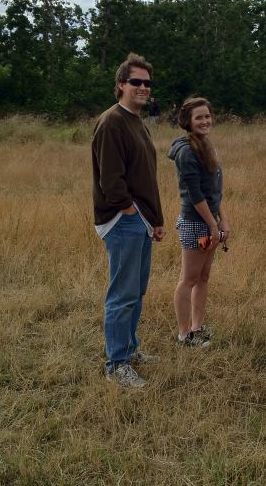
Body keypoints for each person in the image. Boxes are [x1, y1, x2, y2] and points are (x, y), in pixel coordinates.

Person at [91, 52, 165, 388]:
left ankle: (130, 349)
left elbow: (146, 175)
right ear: (121, 85)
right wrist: (130, 211)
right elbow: (111, 179)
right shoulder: (112, 121)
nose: (143, 87)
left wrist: (156, 219)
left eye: (147, 83)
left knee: (136, 291)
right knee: (122, 294)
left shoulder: (137, 121)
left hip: (142, 220)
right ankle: (116, 364)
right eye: (136, 82)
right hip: (123, 221)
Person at [167, 97, 230, 347]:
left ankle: (197, 328)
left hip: (210, 222)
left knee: (203, 277)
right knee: (188, 279)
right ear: (188, 121)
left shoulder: (207, 145)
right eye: (199, 118)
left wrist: (223, 220)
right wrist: (213, 226)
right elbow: (195, 195)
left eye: (207, 116)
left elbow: (214, 192)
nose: (205, 121)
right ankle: (184, 335)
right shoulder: (186, 151)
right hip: (196, 224)